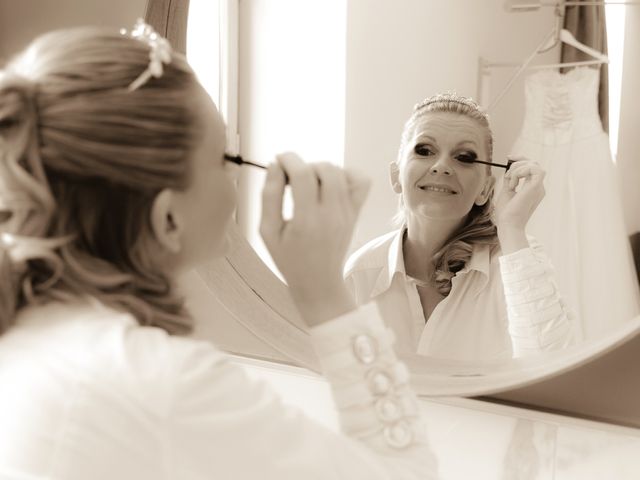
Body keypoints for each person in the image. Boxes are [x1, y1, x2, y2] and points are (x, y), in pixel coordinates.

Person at [0, 23, 438, 479]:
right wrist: (325, 295)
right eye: (225, 158)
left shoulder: (31, 331)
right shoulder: (162, 385)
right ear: (167, 218)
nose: (236, 175)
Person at [344, 93, 578, 362]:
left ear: (485, 190)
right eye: (424, 150)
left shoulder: (514, 259)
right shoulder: (361, 273)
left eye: (464, 157)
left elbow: (551, 369)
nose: (442, 166)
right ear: (396, 177)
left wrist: (512, 228)